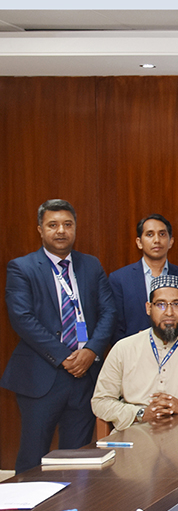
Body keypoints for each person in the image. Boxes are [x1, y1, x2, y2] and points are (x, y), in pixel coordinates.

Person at [1, 199, 116, 472]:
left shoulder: (91, 265)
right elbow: (22, 319)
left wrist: (90, 351)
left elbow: (109, 311)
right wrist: (65, 356)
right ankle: (26, 503)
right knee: (33, 456)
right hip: (41, 376)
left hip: (85, 375)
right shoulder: (22, 267)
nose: (61, 230)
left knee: (77, 458)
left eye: (67, 224)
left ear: (75, 228)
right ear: (40, 229)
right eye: (53, 225)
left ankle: (73, 501)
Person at [91, 275, 178, 431]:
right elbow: (100, 402)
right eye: (161, 304)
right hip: (135, 437)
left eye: (176, 304)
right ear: (148, 308)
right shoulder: (123, 349)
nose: (169, 312)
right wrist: (140, 413)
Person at [108, 214, 178, 343]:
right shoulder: (120, 279)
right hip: (134, 352)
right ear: (139, 242)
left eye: (162, 234)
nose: (157, 240)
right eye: (150, 234)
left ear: (171, 242)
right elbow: (115, 328)